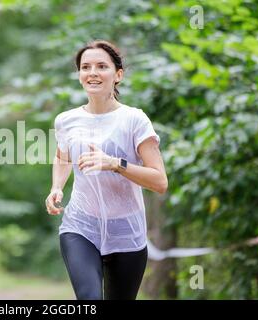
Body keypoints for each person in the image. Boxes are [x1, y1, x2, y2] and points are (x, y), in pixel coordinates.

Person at [45, 40, 168, 300]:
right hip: (81, 227)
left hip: (127, 233)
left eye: (102, 66)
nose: (93, 73)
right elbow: (62, 157)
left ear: (118, 75)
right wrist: (56, 187)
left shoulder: (134, 119)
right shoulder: (66, 120)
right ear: (79, 75)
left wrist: (115, 164)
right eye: (86, 67)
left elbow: (159, 181)